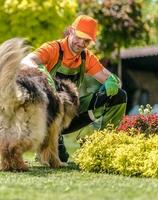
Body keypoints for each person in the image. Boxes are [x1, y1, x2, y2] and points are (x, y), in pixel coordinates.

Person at [21, 15, 127, 162]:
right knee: (60, 158)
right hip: (47, 114)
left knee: (119, 96)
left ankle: (104, 146)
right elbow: (26, 60)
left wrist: (113, 81)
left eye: (87, 41)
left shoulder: (86, 57)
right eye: (79, 37)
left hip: (70, 112)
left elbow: (111, 79)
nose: (81, 43)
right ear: (71, 31)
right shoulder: (53, 49)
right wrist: (42, 72)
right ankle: (49, 140)